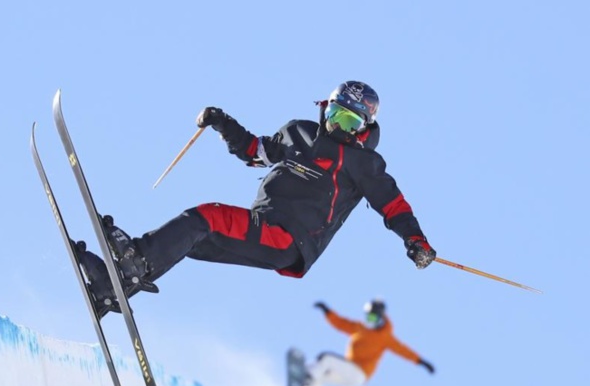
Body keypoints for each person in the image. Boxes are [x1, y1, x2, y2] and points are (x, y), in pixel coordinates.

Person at [79, 80, 437, 317]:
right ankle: (114, 287)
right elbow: (255, 150)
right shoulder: (300, 132)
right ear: (325, 108)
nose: (337, 127)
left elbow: (394, 206)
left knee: (205, 217)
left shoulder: (362, 163)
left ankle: (135, 262)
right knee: (192, 235)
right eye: (334, 115)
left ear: (364, 128)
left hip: (289, 237)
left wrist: (416, 242)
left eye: (348, 122)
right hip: (263, 223)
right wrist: (222, 122)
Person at [301, 299, 435, 386]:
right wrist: (327, 311)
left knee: (325, 359)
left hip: (358, 373)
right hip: (349, 374)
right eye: (368, 317)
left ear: (381, 318)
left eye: (373, 318)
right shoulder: (360, 328)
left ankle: (307, 376)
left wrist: (421, 362)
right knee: (321, 376)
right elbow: (342, 323)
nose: (369, 322)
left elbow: (403, 351)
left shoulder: (385, 337)